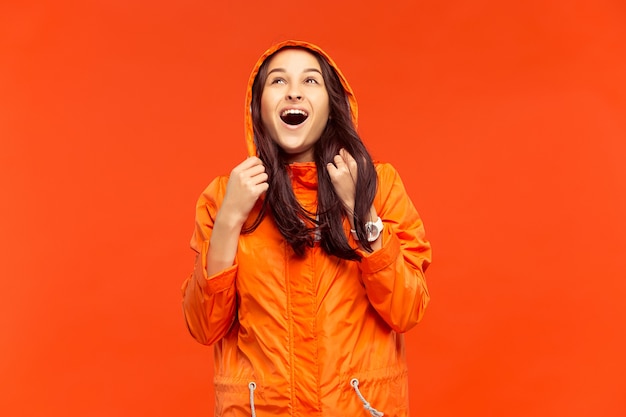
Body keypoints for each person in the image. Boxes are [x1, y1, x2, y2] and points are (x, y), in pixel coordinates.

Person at [181, 40, 432, 417]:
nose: (294, 91)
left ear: (332, 106)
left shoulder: (378, 184)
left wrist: (361, 213)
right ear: (259, 108)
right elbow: (204, 326)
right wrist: (230, 218)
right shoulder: (224, 196)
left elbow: (407, 309)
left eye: (310, 81)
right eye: (278, 81)